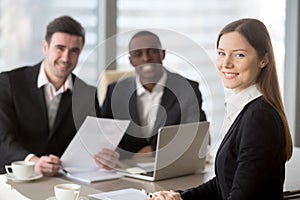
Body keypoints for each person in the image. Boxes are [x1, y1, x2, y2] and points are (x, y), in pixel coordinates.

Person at [150, 18, 293, 200]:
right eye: (221, 53)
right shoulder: (244, 108)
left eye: (239, 55)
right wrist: (180, 197)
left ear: (263, 60)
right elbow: (224, 183)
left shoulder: (259, 117)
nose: (226, 63)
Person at [0, 15, 119, 176]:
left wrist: (107, 156)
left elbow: (92, 143)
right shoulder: (9, 83)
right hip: (15, 178)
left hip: (63, 181)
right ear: (45, 47)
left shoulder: (87, 93)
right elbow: (3, 139)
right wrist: (33, 162)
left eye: (74, 51)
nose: (66, 58)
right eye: (60, 48)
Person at [101, 30, 207, 159]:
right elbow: (104, 137)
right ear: (131, 60)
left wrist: (154, 150)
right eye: (138, 54)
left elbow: (198, 136)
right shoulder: (116, 91)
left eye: (152, 51)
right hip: (126, 168)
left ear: (163, 54)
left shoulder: (187, 89)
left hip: (171, 165)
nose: (146, 58)